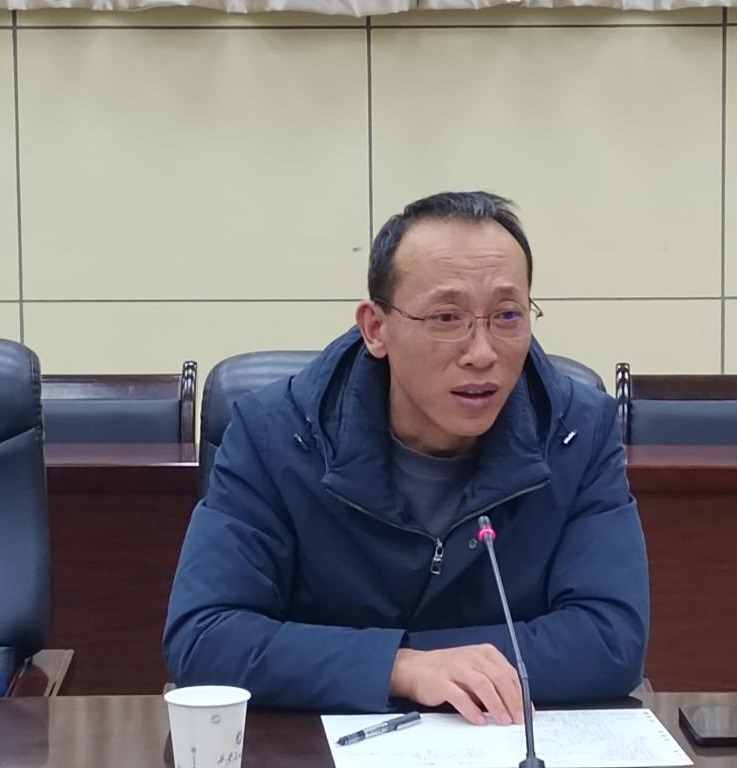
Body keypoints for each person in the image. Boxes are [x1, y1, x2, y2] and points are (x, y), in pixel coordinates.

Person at [163, 191, 650, 724]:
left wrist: (412, 660)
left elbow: (611, 640)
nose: (482, 352)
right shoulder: (275, 435)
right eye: (446, 317)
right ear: (376, 328)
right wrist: (400, 667)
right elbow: (204, 638)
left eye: (508, 315)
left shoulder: (576, 431)